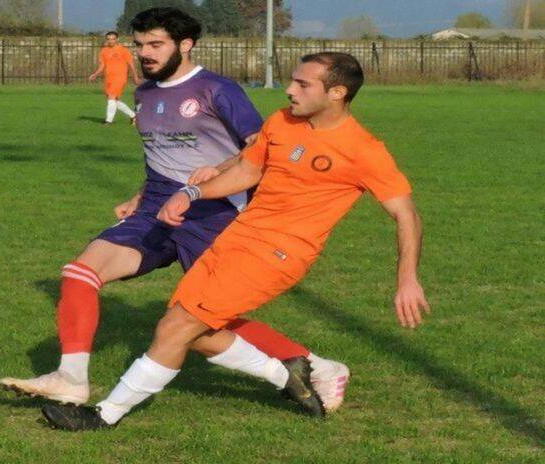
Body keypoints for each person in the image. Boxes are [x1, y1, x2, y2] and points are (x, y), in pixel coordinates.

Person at [40, 51, 431, 431]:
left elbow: (407, 215)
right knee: (197, 335)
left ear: (337, 93)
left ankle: (105, 415)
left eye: (302, 84)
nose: (289, 89)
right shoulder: (282, 121)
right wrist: (192, 193)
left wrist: (407, 280)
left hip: (278, 253)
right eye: (292, 80)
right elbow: (246, 170)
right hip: (236, 237)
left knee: (175, 328)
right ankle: (298, 372)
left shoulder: (364, 150)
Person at [0, 8, 349, 415]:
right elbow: (161, 153)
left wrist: (213, 175)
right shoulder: (145, 93)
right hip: (156, 208)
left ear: (185, 45)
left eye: (155, 44)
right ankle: (71, 378)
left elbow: (262, 149)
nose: (145, 53)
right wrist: (141, 193)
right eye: (140, 45)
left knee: (203, 321)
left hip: (216, 214)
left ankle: (315, 365)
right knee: (81, 272)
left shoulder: (217, 90)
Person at [89, 31, 141, 124]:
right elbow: (102, 65)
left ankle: (109, 121)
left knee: (111, 97)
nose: (111, 41)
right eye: (109, 39)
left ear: (117, 39)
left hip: (120, 78)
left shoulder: (123, 50)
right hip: (109, 78)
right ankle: (133, 116)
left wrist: (135, 76)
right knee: (114, 100)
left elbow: (131, 64)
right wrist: (95, 74)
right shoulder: (104, 51)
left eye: (113, 39)